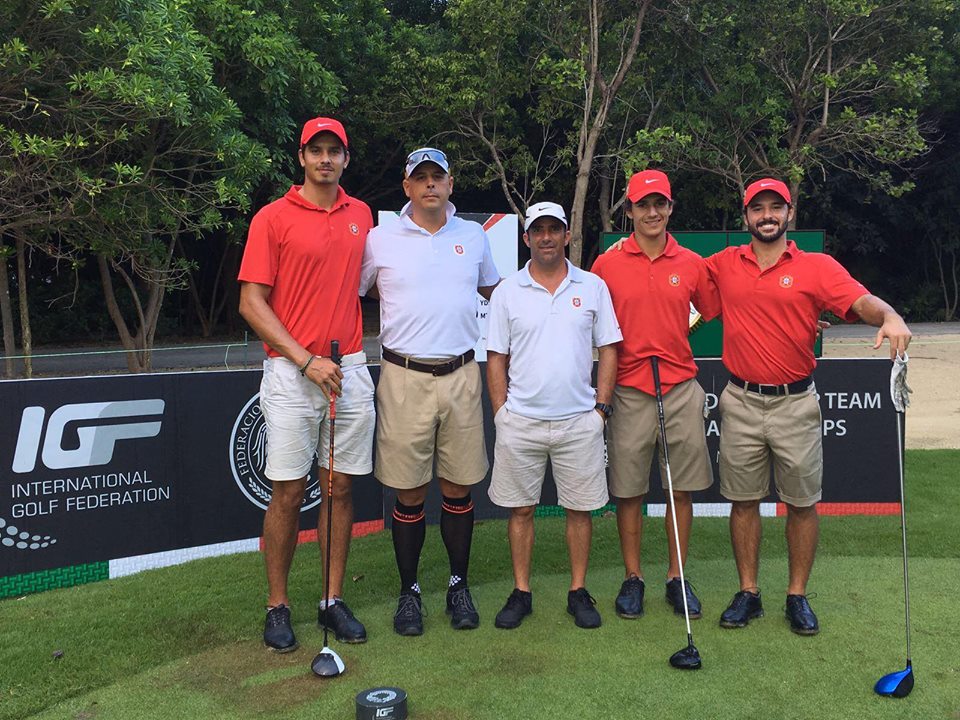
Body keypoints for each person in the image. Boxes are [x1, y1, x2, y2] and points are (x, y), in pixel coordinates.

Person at [708, 177, 912, 635]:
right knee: (743, 503)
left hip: (795, 402)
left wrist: (892, 315)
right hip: (740, 399)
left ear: (789, 213)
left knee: (801, 504)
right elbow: (678, 295)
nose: (766, 215)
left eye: (774, 207)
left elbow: (862, 302)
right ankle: (749, 592)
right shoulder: (722, 264)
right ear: (745, 217)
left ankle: (796, 595)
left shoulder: (817, 266)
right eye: (757, 208)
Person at [238, 117, 375, 652]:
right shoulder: (273, 217)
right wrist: (304, 358)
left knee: (341, 489)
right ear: (301, 158)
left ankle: (331, 599)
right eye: (315, 150)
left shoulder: (361, 214)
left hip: (351, 368)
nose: (325, 159)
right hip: (294, 373)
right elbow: (251, 302)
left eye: (333, 151)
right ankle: (278, 606)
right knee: (289, 491)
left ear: (345, 157)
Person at [360, 147, 500, 636]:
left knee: (460, 486)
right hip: (403, 376)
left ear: (450, 183)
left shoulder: (474, 237)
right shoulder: (379, 240)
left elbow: (493, 294)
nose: (429, 185)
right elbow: (361, 289)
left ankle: (458, 586)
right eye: (419, 178)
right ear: (406, 187)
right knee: (410, 489)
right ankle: (409, 592)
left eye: (437, 177)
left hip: (462, 372)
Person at [591, 170, 720, 623]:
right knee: (628, 492)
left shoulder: (690, 262)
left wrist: (677, 335)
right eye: (643, 204)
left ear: (670, 208)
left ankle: (676, 576)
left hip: (680, 385)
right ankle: (633, 578)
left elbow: (710, 309)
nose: (652, 212)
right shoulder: (607, 264)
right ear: (629, 211)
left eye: (659, 204)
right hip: (628, 388)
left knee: (679, 490)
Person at [486, 202, 622, 630]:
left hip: (579, 420)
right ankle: (521, 591)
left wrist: (600, 410)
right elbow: (495, 358)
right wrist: (501, 414)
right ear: (526, 238)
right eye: (538, 230)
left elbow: (609, 349)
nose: (546, 237)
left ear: (567, 236)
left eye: (554, 229)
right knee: (521, 511)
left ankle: (577, 590)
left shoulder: (593, 285)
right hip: (521, 420)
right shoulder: (508, 290)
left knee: (579, 511)